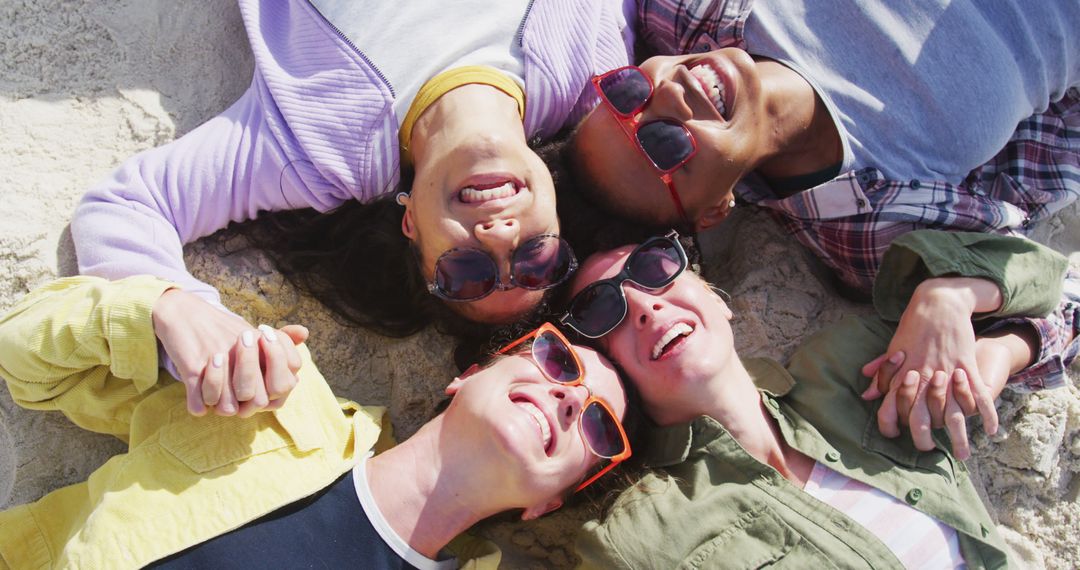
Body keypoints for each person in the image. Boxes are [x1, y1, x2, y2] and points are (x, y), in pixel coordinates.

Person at [70, 0, 635, 416]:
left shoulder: (315, 149)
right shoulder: (596, 81)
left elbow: (123, 205)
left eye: (467, 273)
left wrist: (176, 307)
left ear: (410, 224)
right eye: (536, 259)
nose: (499, 236)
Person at [0, 277, 630, 569]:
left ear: (548, 505)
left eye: (599, 427)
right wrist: (162, 309)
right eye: (558, 360)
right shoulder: (277, 391)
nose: (570, 400)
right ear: (466, 376)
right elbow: (25, 361)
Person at [561, 230, 1079, 568]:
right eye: (602, 311)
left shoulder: (851, 366)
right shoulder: (643, 539)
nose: (646, 307)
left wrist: (960, 309)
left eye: (655, 268)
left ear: (717, 299)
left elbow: (1052, 288)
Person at [570, 0, 1079, 295]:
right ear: (713, 212)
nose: (666, 93)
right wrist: (957, 301)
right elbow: (1039, 283)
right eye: (662, 143)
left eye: (627, 92)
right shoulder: (877, 225)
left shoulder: (691, 9)